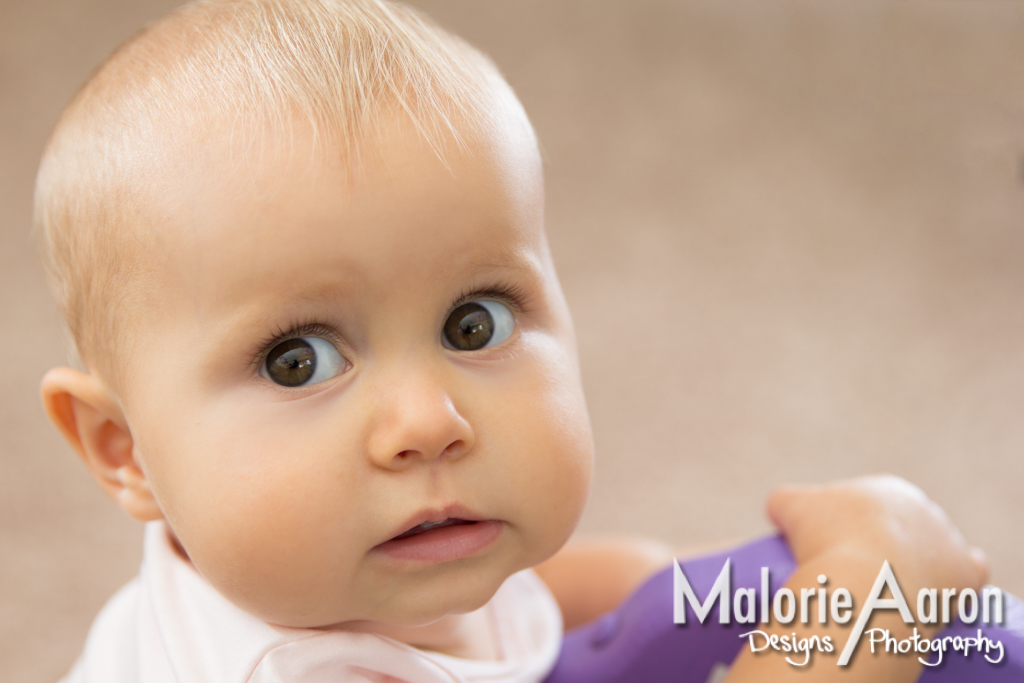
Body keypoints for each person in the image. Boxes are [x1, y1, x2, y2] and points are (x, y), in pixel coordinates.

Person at [34, 1, 987, 681]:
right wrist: (869, 592)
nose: (427, 419)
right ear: (126, 451)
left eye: (472, 323)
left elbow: (544, 595)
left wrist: (701, 588)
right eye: (300, 360)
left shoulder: (334, 561)